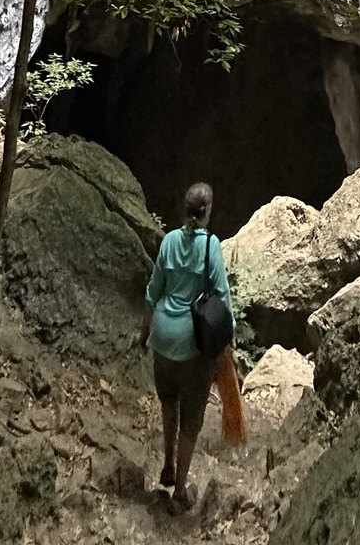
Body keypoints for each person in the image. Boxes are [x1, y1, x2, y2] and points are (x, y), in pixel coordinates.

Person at [141, 180, 233, 510]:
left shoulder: (168, 242)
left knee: (169, 403)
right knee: (191, 420)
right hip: (192, 345)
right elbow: (222, 296)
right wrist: (227, 341)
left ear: (185, 209)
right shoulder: (210, 247)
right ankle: (180, 490)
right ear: (207, 213)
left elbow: (153, 291)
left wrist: (145, 330)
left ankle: (167, 465)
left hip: (163, 339)